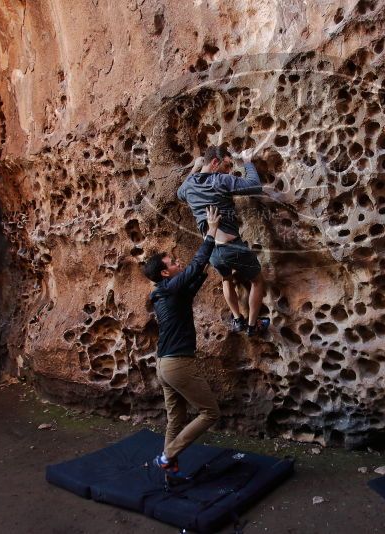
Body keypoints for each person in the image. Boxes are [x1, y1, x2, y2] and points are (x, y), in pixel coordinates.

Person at [143, 205, 222, 481]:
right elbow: (194, 268)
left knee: (175, 419)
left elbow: (195, 277)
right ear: (165, 273)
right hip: (177, 364)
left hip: (164, 365)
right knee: (210, 412)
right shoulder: (168, 289)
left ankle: (169, 472)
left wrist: (210, 256)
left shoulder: (167, 294)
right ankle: (166, 457)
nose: (179, 263)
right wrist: (211, 234)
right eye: (173, 263)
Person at [177, 145, 269, 337]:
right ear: (215, 163)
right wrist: (247, 162)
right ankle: (252, 326)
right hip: (232, 246)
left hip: (212, 251)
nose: (229, 170)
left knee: (227, 278)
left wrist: (195, 167)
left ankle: (237, 319)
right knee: (257, 281)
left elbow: (179, 193)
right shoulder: (220, 180)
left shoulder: (190, 186)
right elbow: (254, 185)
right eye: (227, 165)